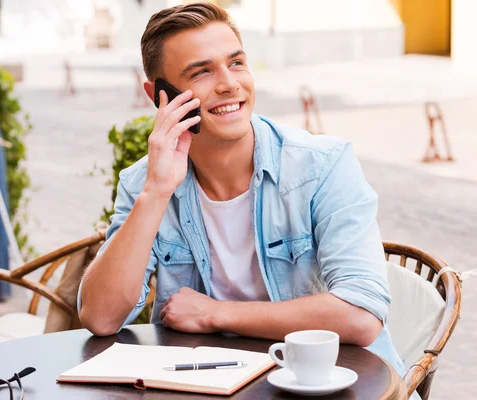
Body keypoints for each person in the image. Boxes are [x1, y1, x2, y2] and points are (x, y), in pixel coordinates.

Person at [77, 2, 406, 377]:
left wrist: (215, 314)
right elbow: (101, 318)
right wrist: (155, 192)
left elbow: (361, 316)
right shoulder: (146, 184)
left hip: (338, 383)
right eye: (201, 72)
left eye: (236, 63)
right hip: (217, 382)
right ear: (160, 95)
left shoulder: (321, 166)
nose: (229, 83)